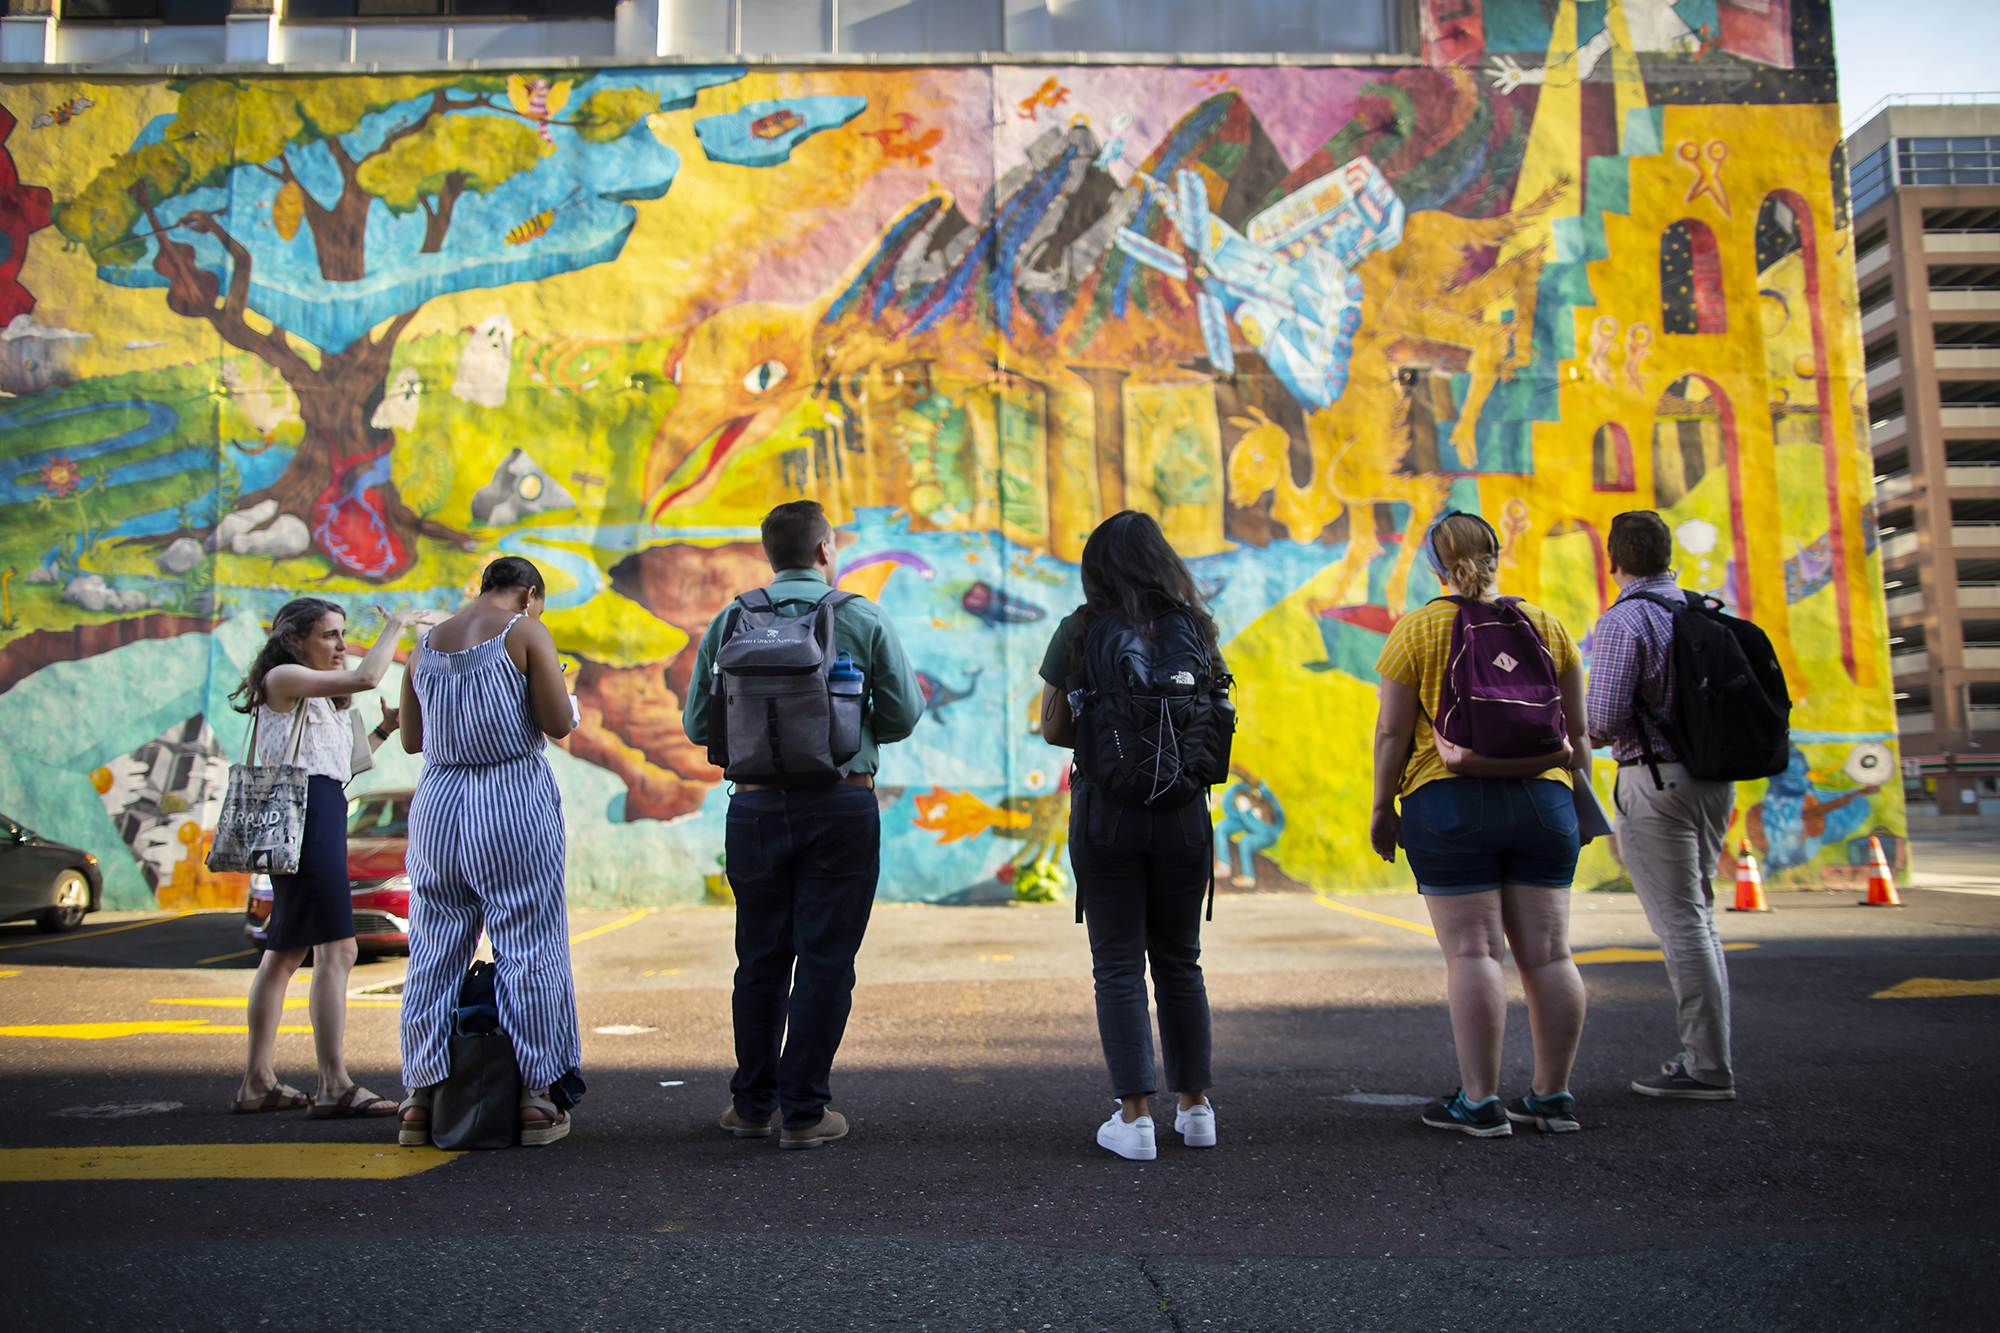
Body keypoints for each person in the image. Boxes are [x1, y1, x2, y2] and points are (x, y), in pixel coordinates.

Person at [682, 500, 922, 1149]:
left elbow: (700, 727)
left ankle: (752, 1106)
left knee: (758, 958)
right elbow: (902, 716)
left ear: (770, 553)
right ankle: (807, 1113)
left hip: (754, 807)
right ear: (826, 550)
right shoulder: (861, 615)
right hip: (842, 803)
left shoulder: (732, 618)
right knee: (825, 960)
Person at [1369, 511, 1591, 1136]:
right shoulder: (1547, 625)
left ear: (1434, 566)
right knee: (1549, 955)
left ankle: (1480, 1101)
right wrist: (1579, 799)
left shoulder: (1417, 630)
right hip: (1545, 805)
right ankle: (1552, 1097)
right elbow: (1576, 733)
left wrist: (1385, 808)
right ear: (1498, 554)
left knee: (1474, 951)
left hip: (1450, 803)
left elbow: (1391, 732)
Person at [1039, 511, 1221, 1162]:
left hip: (1107, 812)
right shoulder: (1194, 628)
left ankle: (1135, 1116)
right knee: (1181, 961)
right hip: (1184, 814)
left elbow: (1052, 725)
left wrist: (1107, 735)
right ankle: (1196, 1108)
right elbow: (1214, 713)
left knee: (1117, 962)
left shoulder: (1082, 628)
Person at [394, 556, 582, 1147]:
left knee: (433, 948)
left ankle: (420, 1099)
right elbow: (557, 724)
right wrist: (560, 690)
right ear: (529, 594)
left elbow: (411, 738)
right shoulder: (524, 631)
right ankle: (535, 1094)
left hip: (439, 802)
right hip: (510, 798)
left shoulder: (426, 645)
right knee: (529, 941)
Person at [228, 598, 438, 1118]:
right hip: (305, 820)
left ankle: (258, 1082)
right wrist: (396, 625)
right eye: (330, 635)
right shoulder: (283, 677)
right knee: (338, 951)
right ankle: (333, 1084)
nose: (342, 646)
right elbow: (369, 678)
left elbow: (338, 765)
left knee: (284, 954)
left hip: (318, 809)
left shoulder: (318, 697)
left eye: (343, 635)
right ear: (295, 639)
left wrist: (386, 731)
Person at [1585, 510, 1738, 1101]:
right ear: (1667, 553)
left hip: (1654, 781)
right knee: (1699, 916)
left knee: (1682, 925)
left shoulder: (1626, 621)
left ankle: (1706, 1067)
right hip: (1713, 781)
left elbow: (1602, 720)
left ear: (1615, 560)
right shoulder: (1702, 610)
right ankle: (1708, 1056)